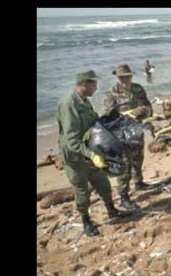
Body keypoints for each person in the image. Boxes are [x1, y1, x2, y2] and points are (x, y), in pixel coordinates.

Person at [56, 70, 131, 237]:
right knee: (82, 191)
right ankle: (86, 221)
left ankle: (111, 210)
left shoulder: (84, 101)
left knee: (103, 183)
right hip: (75, 158)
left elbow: (92, 123)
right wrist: (92, 155)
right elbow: (71, 140)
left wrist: (111, 118)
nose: (96, 87)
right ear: (84, 84)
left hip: (90, 152)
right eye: (94, 84)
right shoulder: (69, 105)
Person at [102, 64, 153, 210]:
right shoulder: (111, 93)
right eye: (121, 77)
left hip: (136, 131)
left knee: (138, 158)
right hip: (122, 135)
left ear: (131, 76)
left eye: (127, 77)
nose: (124, 80)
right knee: (124, 165)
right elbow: (108, 116)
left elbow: (149, 107)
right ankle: (124, 196)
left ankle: (139, 182)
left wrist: (144, 111)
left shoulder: (138, 89)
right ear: (117, 78)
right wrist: (129, 114)